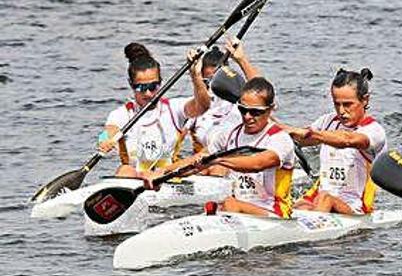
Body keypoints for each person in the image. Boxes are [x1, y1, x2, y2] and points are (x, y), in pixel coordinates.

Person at [145, 77, 297, 218]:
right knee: (212, 206)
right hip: (239, 208)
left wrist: (217, 160)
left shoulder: (280, 139)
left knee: (229, 203)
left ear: (271, 109)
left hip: (275, 214)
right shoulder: (229, 134)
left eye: (255, 112)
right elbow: (195, 162)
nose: (247, 116)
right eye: (243, 110)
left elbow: (257, 164)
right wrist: (163, 173)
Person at [282, 68, 386, 215]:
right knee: (296, 206)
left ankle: (315, 235)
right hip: (320, 199)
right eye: (337, 104)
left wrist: (309, 133)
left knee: (325, 198)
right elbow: (299, 138)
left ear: (365, 100)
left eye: (348, 104)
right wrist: (265, 117)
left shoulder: (373, 131)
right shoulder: (328, 121)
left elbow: (347, 140)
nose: (341, 111)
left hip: (354, 207)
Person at [98, 43, 211, 177]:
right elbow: (108, 131)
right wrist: (104, 140)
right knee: (124, 170)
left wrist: (195, 76)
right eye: (141, 87)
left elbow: (203, 106)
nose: (148, 93)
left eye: (153, 86)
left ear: (161, 83)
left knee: (208, 161)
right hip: (135, 178)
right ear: (131, 84)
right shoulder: (122, 114)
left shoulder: (173, 108)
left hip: (168, 175)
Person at [186, 38, 260, 153]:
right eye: (206, 81)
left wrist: (241, 59)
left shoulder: (241, 103)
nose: (212, 88)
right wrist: (194, 75)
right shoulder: (193, 109)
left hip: (241, 157)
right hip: (208, 164)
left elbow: (262, 91)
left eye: (216, 81)